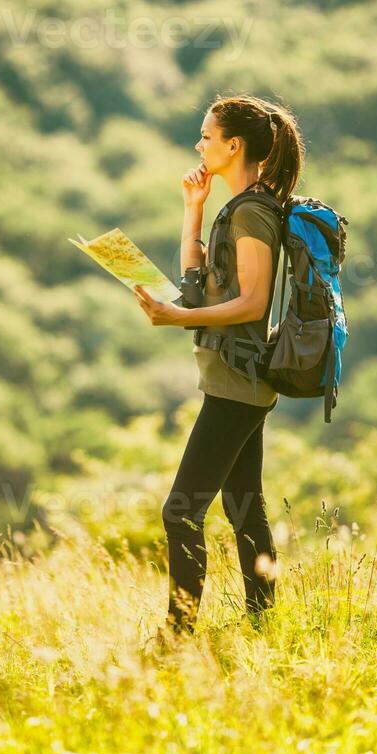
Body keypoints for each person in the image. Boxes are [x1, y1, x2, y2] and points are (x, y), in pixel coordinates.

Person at [134, 94, 306, 636]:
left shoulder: (253, 211)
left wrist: (174, 319)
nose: (198, 144)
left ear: (235, 145)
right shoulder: (237, 207)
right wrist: (193, 209)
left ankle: (177, 633)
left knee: (179, 511)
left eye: (207, 136)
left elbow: (253, 303)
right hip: (233, 381)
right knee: (244, 509)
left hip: (237, 383)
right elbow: (197, 283)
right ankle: (265, 628)